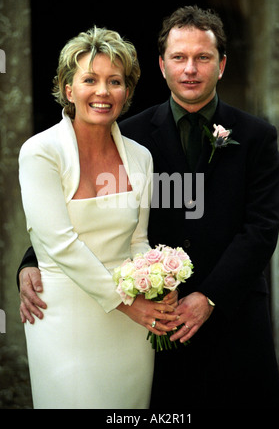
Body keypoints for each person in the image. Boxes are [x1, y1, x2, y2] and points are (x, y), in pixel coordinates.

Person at [18, 6, 279, 409]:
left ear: (222, 64)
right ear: (162, 65)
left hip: (234, 313)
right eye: (179, 57)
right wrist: (31, 261)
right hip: (154, 324)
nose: (190, 68)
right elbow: (69, 221)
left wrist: (209, 296)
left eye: (203, 57)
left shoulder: (257, 136)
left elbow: (261, 229)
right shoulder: (131, 135)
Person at [17, 27, 178, 409]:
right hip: (63, 319)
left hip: (130, 328)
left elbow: (137, 240)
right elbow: (59, 243)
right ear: (68, 89)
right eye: (90, 80)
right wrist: (129, 304)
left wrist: (159, 284)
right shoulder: (40, 152)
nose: (103, 92)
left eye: (115, 81)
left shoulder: (140, 157)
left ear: (127, 91)